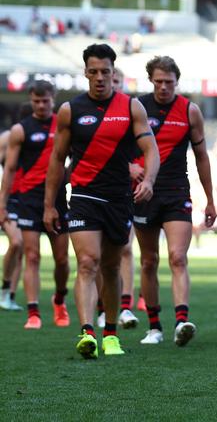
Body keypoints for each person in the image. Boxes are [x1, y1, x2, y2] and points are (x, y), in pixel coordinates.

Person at [44, 43, 159, 359]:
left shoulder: (131, 107)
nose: (99, 78)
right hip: (82, 196)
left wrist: (148, 180)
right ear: (85, 72)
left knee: (110, 266)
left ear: (113, 72)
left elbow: (151, 150)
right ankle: (87, 332)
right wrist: (50, 204)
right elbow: (56, 159)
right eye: (93, 72)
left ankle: (111, 333)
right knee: (87, 262)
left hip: (119, 198)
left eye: (105, 72)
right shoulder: (70, 111)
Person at [133, 55, 216, 346]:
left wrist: (210, 199)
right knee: (148, 261)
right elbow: (118, 147)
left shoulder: (190, 111)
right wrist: (131, 168)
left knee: (178, 257)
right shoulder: (137, 107)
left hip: (177, 192)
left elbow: (202, 156)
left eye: (169, 82)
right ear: (151, 81)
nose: (164, 87)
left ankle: (182, 321)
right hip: (143, 193)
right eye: (159, 82)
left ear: (177, 82)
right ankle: (154, 327)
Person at [0, 81, 71, 329]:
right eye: (36, 101)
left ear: (53, 99)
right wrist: (1, 204)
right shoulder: (21, 130)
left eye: (45, 100)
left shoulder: (64, 125)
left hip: (59, 199)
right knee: (32, 256)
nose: (41, 105)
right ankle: (33, 313)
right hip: (30, 201)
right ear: (31, 100)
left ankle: (59, 298)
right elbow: (9, 169)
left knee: (62, 260)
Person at [96, 67, 140, 329]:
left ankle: (124, 306)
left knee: (125, 249)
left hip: (129, 191)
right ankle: (103, 308)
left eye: (117, 81)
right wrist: (128, 167)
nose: (114, 84)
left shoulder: (132, 112)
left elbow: (145, 146)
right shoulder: (94, 114)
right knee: (100, 255)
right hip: (100, 191)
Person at [0, 129, 23, 311]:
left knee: (19, 246)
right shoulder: (7, 138)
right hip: (6, 200)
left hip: (24, 199)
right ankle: (5, 290)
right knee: (16, 242)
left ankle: (9, 295)